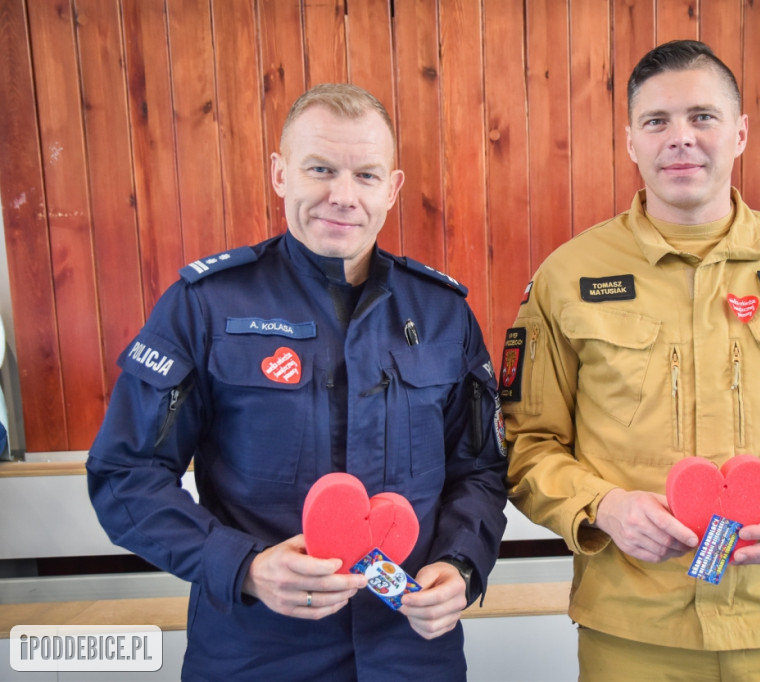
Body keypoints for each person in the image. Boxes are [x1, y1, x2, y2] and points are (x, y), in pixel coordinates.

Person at [502, 40, 760, 681]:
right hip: (633, 634)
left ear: (740, 132)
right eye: (656, 121)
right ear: (631, 140)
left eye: (703, 117)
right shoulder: (568, 279)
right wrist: (601, 506)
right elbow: (528, 443)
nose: (680, 138)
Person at [87, 83, 508, 681]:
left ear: (392, 188)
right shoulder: (203, 307)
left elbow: (480, 471)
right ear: (281, 174)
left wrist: (463, 564)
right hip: (254, 653)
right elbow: (124, 475)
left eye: (365, 175)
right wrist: (243, 566)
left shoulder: (443, 314)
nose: (342, 196)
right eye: (320, 169)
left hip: (412, 655)